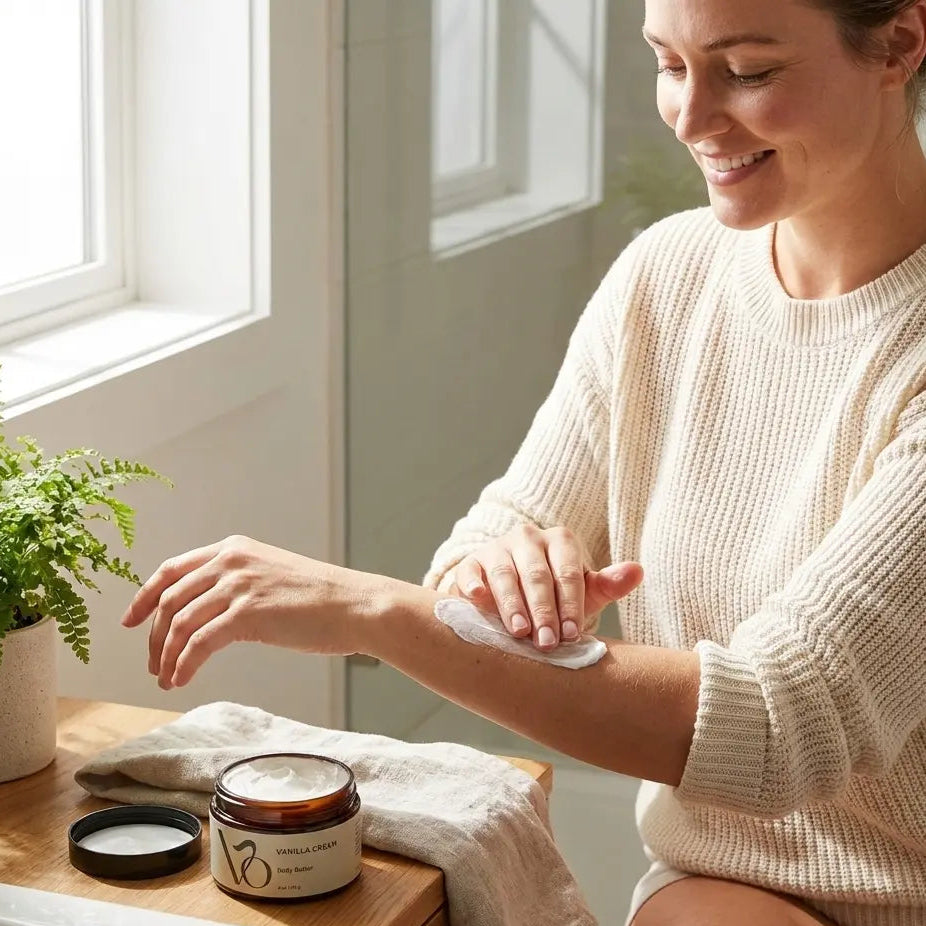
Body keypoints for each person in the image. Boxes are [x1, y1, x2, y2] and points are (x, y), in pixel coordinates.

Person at [123, 0, 926, 923]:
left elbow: (781, 726)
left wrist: (372, 611)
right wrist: (505, 567)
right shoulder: (669, 272)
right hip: (724, 885)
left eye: (747, 71)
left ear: (900, 42)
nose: (694, 118)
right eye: (669, 64)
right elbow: (490, 543)